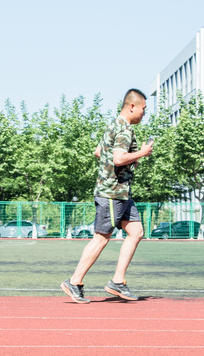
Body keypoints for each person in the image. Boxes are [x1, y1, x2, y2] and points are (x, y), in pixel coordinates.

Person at [61, 88, 153, 304]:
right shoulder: (124, 130)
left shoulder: (114, 125)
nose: (144, 113)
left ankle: (117, 281)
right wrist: (141, 153)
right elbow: (119, 159)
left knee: (136, 231)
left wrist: (132, 158)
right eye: (143, 109)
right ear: (132, 106)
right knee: (101, 238)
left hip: (120, 192)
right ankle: (74, 282)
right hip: (112, 193)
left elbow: (98, 151)